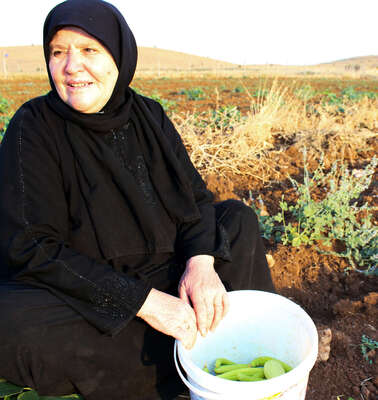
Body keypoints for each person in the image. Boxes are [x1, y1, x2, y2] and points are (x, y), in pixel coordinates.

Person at [0, 1, 275, 399]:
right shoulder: (33, 126)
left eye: (89, 50)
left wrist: (200, 265)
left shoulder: (148, 115)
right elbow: (30, 246)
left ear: (119, 54)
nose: (71, 66)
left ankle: (195, 347)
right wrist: (144, 303)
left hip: (168, 272)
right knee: (9, 318)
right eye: (58, 52)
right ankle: (200, 349)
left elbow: (194, 198)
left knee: (237, 220)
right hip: (90, 293)